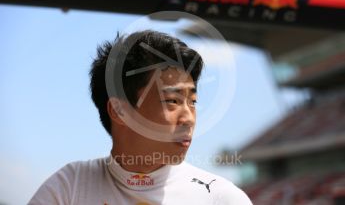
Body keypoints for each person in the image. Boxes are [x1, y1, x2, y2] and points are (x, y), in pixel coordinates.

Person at [29, 30, 252, 204]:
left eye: (192, 102)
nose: (189, 118)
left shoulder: (221, 198)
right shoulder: (69, 186)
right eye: (172, 101)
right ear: (118, 111)